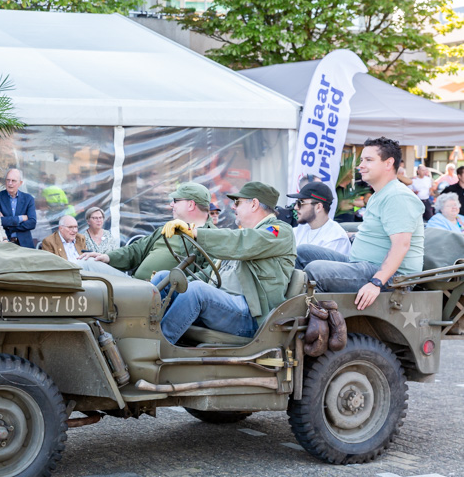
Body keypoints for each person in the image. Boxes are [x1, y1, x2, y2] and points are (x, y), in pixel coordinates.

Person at [157, 182, 295, 345]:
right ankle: (137, 333)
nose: (233, 207)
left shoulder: (278, 231)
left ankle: (156, 347)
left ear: (254, 204)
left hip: (252, 317)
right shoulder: (243, 235)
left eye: (237, 202)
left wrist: (193, 231)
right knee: (165, 277)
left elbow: (244, 242)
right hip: (223, 306)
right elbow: (211, 273)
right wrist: (179, 283)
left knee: (197, 291)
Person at [297, 137, 424, 310]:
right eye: (362, 160)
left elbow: (401, 245)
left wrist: (376, 282)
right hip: (362, 265)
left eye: (368, 160)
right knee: (302, 252)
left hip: (392, 277)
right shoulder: (380, 194)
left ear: (388, 163)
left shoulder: (397, 196)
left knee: (315, 269)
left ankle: (314, 319)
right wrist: (351, 236)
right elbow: (377, 233)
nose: (360, 165)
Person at [80, 183, 213, 280]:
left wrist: (172, 285)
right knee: (86, 263)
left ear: (190, 205)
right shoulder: (170, 228)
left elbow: (207, 276)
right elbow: (136, 250)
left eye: (176, 201)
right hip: (133, 284)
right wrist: (107, 257)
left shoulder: (213, 238)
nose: (171, 204)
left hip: (160, 295)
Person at [290, 181, 351, 257]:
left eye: (301, 203)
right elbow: (278, 234)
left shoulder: (336, 238)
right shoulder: (301, 229)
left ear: (318, 207)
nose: (295, 207)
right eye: (296, 202)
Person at [0, 168, 36, 247]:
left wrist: (9, 226)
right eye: (8, 180)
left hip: (24, 244)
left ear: (20, 183)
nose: (10, 183)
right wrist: (20, 218)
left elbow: (32, 223)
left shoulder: (28, 199)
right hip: (4, 243)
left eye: (13, 181)